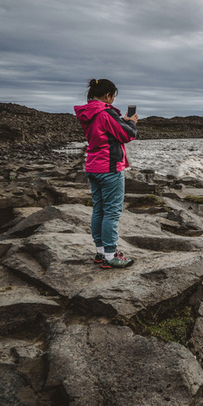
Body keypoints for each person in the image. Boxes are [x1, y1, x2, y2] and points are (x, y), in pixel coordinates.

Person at [74, 78, 138, 269]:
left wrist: (122, 121)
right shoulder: (106, 113)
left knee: (99, 210)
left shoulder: (89, 112)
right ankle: (110, 256)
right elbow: (127, 135)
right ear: (108, 95)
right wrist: (132, 123)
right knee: (112, 212)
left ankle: (101, 252)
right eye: (112, 97)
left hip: (93, 165)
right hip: (109, 167)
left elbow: (110, 131)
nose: (113, 101)